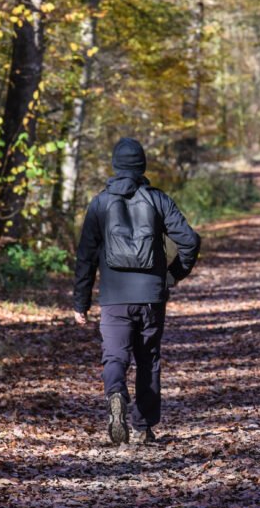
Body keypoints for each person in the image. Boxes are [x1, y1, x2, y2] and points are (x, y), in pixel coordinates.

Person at [73, 137, 201, 445]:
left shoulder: (100, 203)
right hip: (150, 296)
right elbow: (190, 241)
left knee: (115, 356)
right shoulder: (158, 199)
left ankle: (115, 393)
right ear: (142, 165)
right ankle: (144, 428)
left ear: (116, 167)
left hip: (114, 296)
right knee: (148, 359)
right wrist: (172, 275)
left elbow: (86, 256)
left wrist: (81, 301)